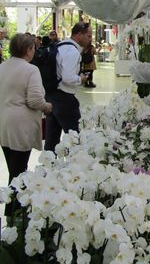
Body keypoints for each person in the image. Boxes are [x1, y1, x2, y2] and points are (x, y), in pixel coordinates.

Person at [0, 34, 52, 216]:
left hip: (4, 123)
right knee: (19, 171)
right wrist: (47, 107)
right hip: (21, 125)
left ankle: (12, 209)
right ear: (28, 50)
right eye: (33, 48)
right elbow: (35, 100)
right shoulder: (30, 70)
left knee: (13, 169)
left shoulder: (2, 67)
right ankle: (16, 211)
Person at [44, 22, 91, 152]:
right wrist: (80, 79)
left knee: (52, 138)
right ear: (79, 34)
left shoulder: (61, 45)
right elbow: (68, 77)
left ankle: (50, 167)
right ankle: (76, 165)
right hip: (64, 98)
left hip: (51, 95)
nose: (90, 39)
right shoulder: (72, 51)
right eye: (88, 35)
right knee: (74, 137)